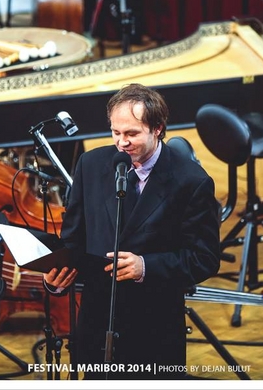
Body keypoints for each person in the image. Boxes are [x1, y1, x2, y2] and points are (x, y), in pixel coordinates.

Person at [44, 83, 221, 378]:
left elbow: (204, 259)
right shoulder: (90, 165)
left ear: (158, 129)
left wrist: (145, 266)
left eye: (131, 134)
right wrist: (57, 277)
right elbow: (73, 240)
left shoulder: (192, 181)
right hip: (97, 323)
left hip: (153, 329)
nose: (121, 143)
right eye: (115, 132)